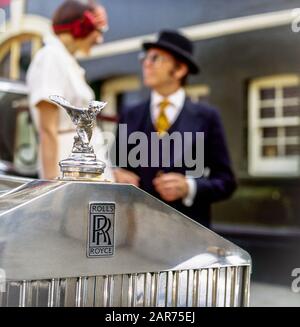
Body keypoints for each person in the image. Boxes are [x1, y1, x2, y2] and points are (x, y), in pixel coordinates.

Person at [114, 30, 236, 227]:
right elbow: (116, 167)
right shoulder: (129, 114)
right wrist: (115, 175)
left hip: (189, 231)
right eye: (145, 57)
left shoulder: (207, 117)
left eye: (156, 58)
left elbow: (226, 182)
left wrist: (189, 187)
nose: (146, 63)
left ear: (179, 70)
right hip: (137, 231)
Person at [26, 0, 113, 180]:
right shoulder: (50, 57)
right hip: (70, 166)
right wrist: (50, 187)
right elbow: (47, 129)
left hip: (82, 164)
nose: (100, 39)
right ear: (82, 27)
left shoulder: (65, 60)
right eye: (99, 30)